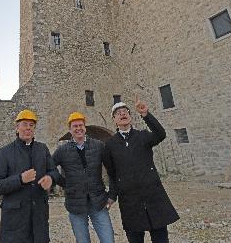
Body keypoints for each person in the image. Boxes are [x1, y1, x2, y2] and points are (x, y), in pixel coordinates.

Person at [103, 97, 179, 243]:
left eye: (125, 111)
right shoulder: (110, 145)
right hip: (130, 201)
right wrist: (112, 196)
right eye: (118, 113)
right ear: (114, 120)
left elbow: (161, 134)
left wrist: (146, 115)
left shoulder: (143, 136)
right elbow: (112, 174)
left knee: (161, 239)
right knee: (135, 239)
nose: (123, 114)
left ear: (130, 117)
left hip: (153, 195)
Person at [0, 109, 59, 243]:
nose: (28, 128)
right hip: (15, 222)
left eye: (31, 125)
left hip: (39, 219)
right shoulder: (5, 152)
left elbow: (54, 171)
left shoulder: (42, 149)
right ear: (17, 128)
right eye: (24, 124)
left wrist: (50, 178)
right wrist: (20, 179)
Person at [52, 112, 115, 243]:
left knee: (108, 239)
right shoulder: (62, 151)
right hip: (75, 203)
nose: (78, 128)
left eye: (81, 125)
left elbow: (112, 170)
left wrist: (112, 195)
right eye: (75, 126)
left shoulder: (98, 146)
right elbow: (51, 169)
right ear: (70, 130)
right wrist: (65, 183)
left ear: (85, 127)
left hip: (98, 201)